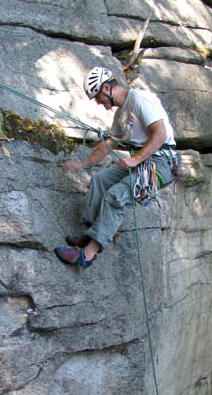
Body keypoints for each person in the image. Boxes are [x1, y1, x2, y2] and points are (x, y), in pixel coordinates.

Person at [54, 66, 177, 268]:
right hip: (143, 163)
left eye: (97, 96)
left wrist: (135, 160)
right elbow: (108, 144)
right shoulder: (120, 115)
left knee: (116, 195)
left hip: (162, 164)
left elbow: (160, 134)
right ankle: (90, 235)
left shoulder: (138, 100)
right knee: (100, 180)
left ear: (105, 88)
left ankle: (87, 254)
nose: (98, 102)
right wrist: (82, 163)